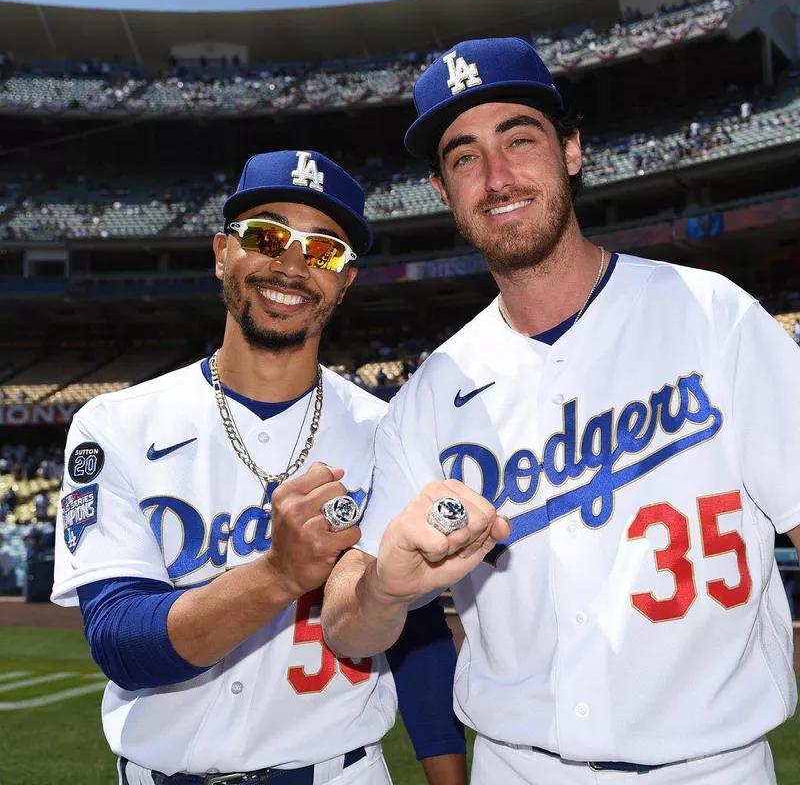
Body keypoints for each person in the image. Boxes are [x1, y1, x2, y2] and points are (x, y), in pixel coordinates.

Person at [321, 38, 800, 785]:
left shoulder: (714, 315)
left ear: (572, 149)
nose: (498, 176)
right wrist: (387, 586)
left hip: (715, 768)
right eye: (465, 158)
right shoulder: (429, 395)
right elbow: (347, 624)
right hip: (518, 769)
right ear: (443, 192)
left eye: (520, 139)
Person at [52, 150, 465, 785]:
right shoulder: (116, 424)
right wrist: (277, 574)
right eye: (268, 236)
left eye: (324, 250)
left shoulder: (391, 431)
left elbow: (415, 631)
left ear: (345, 281)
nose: (294, 264)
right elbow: (119, 643)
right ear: (222, 252)